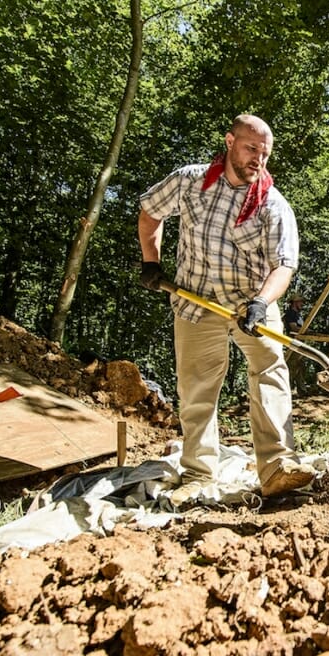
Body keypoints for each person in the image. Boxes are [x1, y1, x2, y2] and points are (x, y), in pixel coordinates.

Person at [137, 114, 314, 500]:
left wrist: (261, 303)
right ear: (230, 141)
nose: (258, 160)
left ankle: (278, 466)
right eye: (251, 149)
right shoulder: (190, 181)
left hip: (252, 302)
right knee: (197, 388)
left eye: (264, 154)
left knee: (270, 372)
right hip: (195, 304)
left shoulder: (271, 202)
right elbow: (151, 210)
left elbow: (284, 265)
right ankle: (199, 473)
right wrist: (152, 260)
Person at [283, 292, 311, 395]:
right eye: (301, 302)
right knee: (292, 365)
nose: (302, 304)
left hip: (300, 342)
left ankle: (302, 390)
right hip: (293, 342)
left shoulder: (298, 315)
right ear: (294, 302)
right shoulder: (290, 313)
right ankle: (287, 389)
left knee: (301, 365)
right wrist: (306, 331)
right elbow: (294, 328)